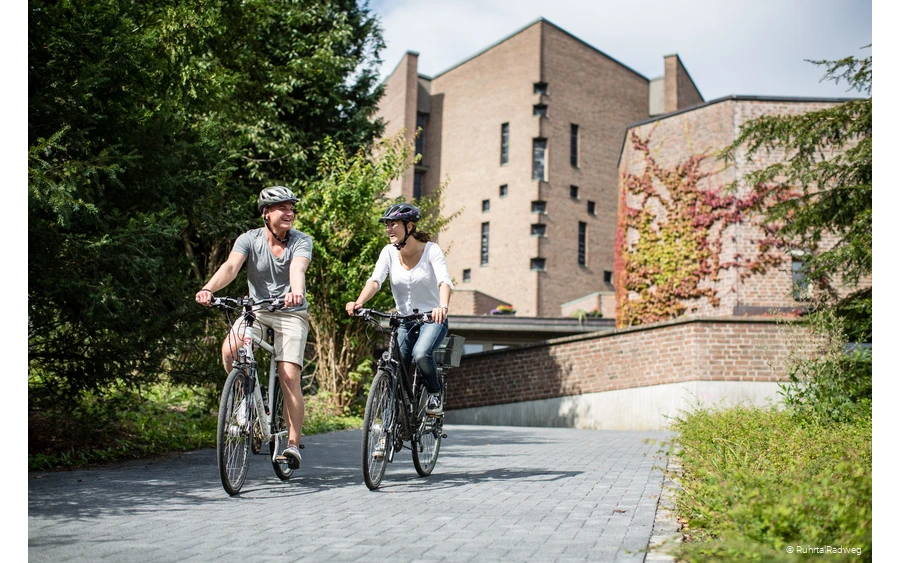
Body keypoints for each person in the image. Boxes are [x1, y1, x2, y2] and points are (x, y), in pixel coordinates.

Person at [196, 186, 312, 469]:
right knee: (230, 349)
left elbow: (298, 269)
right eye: (282, 208)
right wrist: (208, 288)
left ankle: (293, 444)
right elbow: (231, 267)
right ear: (266, 213)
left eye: (291, 208)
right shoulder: (249, 239)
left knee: (288, 375)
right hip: (257, 310)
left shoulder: (301, 241)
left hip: (291, 313)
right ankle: (245, 396)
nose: (289, 213)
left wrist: (295, 291)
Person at [345, 203, 453, 417]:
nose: (389, 229)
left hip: (432, 318)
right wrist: (359, 302)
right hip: (405, 320)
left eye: (393, 224)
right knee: (395, 365)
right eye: (387, 225)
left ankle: (434, 393)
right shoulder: (388, 253)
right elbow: (375, 281)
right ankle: (392, 417)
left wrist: (442, 306)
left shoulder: (431, 250)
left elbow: (444, 281)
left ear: (410, 226)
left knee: (421, 354)